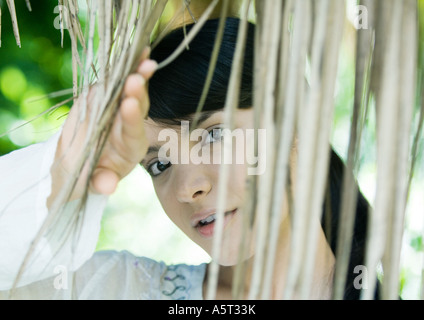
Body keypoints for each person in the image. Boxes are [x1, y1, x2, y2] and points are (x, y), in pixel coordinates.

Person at [0, 17, 376, 300]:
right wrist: (64, 173)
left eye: (214, 134)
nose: (186, 188)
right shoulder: (113, 289)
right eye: (159, 164)